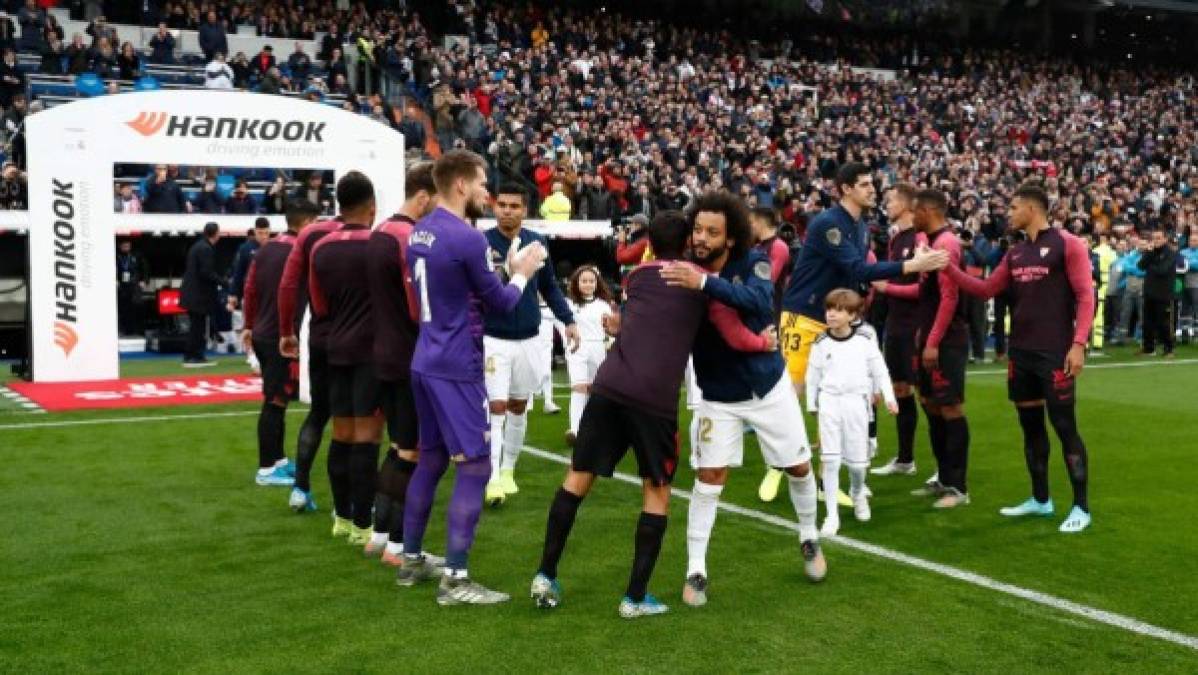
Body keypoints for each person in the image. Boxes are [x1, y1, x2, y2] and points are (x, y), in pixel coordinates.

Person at [529, 211, 709, 619]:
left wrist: (621, 326)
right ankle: (635, 597)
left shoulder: (637, 276)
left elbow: (634, 319)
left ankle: (545, 573)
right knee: (657, 488)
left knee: (578, 477)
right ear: (685, 243)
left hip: (611, 385)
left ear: (650, 242)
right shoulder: (699, 282)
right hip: (654, 398)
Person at [657, 191, 825, 608]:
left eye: (712, 232)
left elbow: (757, 300)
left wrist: (706, 283)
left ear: (730, 238)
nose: (701, 238)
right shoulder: (685, 271)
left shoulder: (753, 263)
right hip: (717, 396)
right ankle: (696, 568)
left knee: (798, 466)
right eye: (697, 229)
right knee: (709, 478)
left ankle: (808, 536)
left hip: (768, 388)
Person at [397, 150, 547, 605]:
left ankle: (411, 560)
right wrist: (521, 273)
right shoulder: (467, 238)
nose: (487, 192)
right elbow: (501, 302)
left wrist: (502, 274)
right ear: (461, 185)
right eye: (482, 184)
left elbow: (458, 286)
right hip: (456, 365)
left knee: (431, 459)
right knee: (477, 465)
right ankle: (456, 580)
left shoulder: (419, 231)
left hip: (425, 358)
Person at [760, 162, 947, 503]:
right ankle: (778, 463)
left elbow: (859, 273)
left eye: (871, 183)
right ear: (845, 189)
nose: (872, 189)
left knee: (837, 398)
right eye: (864, 184)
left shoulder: (861, 227)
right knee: (793, 393)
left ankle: (821, 480)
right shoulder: (829, 223)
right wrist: (910, 266)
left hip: (837, 319)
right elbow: (858, 268)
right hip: (805, 315)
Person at [939, 182, 1095, 533]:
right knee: (1030, 429)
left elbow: (1086, 296)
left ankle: (1081, 507)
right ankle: (1041, 500)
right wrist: (947, 267)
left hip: (1055, 353)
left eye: (1013, 207)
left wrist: (1079, 344)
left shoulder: (1067, 244)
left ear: (1032, 208)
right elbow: (984, 289)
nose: (1008, 213)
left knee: (1065, 428)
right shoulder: (1015, 253)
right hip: (1021, 354)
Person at [481, 185, 579, 507]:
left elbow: (549, 286)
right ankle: (492, 477)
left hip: (530, 337)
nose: (507, 210)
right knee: (496, 408)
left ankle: (508, 469)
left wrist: (568, 320)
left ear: (525, 210)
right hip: (494, 337)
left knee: (518, 406)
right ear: (495, 208)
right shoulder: (482, 243)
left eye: (514, 206)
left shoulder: (538, 242)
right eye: (502, 205)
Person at [364, 162, 439, 565]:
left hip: (383, 352)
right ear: (423, 196)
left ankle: (378, 536)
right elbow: (417, 306)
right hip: (408, 354)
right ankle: (398, 544)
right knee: (411, 451)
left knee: (397, 447)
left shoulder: (379, 232)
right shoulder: (407, 237)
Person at [879, 189, 972, 509]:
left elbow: (949, 298)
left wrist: (932, 341)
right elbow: (924, 290)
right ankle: (944, 478)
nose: (912, 216)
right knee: (931, 405)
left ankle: (959, 487)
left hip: (946, 340)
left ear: (929, 210)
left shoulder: (946, 243)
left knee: (950, 408)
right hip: (926, 336)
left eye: (916, 210)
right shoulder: (928, 242)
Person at [306, 172, 384, 547]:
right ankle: (362, 523)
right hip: (370, 351)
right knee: (368, 439)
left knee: (341, 435)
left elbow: (318, 304)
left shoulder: (320, 247)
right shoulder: (379, 243)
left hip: (334, 348)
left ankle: (340, 517)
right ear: (372, 206)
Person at [241, 203, 321, 488]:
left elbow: (250, 289)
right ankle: (265, 468)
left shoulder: (266, 249)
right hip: (280, 336)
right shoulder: (299, 251)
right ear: (308, 222)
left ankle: (278, 461)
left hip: (264, 332)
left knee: (279, 398)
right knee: (275, 400)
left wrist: (248, 325)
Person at [806, 289, 898, 534]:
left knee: (857, 465)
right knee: (830, 459)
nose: (831, 314)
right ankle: (832, 515)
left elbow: (880, 371)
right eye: (829, 309)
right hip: (830, 402)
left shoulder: (865, 340)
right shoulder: (820, 341)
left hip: (857, 404)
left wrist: (889, 396)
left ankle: (858, 493)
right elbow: (812, 376)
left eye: (839, 310)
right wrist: (811, 403)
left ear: (853, 315)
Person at [278, 204, 341, 516]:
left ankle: (300, 488)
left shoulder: (311, 234)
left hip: (315, 328)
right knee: (353, 421)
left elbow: (288, 284)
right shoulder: (373, 235)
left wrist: (285, 330)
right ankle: (346, 505)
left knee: (318, 413)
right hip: (354, 333)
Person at [871, 183, 929, 481]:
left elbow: (923, 288)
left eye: (891, 200)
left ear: (907, 205)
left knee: (926, 396)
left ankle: (945, 469)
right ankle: (905, 459)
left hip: (915, 326)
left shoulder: (919, 238)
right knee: (900, 391)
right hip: (895, 324)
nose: (886, 204)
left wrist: (887, 287)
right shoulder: (895, 240)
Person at [563, 265, 615, 444]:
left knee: (594, 390)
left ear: (597, 283)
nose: (587, 284)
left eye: (591, 281)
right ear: (576, 283)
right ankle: (575, 430)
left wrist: (611, 344)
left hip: (598, 349)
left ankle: (593, 427)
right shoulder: (568, 304)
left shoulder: (603, 305)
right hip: (577, 348)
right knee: (579, 387)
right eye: (584, 281)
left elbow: (610, 331)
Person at [180, 222, 222, 367]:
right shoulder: (205, 249)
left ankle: (193, 354)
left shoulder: (198, 246)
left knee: (197, 326)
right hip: (197, 295)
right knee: (197, 326)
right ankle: (194, 355)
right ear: (215, 233)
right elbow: (206, 272)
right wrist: (223, 282)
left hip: (193, 293)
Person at [1138, 228, 1179, 358]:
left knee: (1164, 322)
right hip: (1149, 292)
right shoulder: (1151, 252)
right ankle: (1148, 348)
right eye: (1154, 238)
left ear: (1165, 239)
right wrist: (1149, 255)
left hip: (1164, 294)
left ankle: (1169, 349)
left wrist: (1150, 264)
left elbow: (1163, 270)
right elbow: (1140, 265)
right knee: (1147, 322)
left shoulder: (1170, 253)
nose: (1155, 241)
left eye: (1158, 238)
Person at [750, 206, 790, 319]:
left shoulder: (778, 246)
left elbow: (769, 279)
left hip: (770, 310)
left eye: (751, 222)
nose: (750, 226)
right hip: (755, 306)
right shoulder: (757, 246)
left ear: (761, 222)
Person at [227, 218, 270, 314]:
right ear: (255, 232)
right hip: (250, 294)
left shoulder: (273, 246)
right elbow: (238, 272)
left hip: (268, 296)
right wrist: (233, 294)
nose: (263, 236)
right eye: (260, 233)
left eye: (266, 233)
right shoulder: (245, 248)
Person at [115, 239, 149, 337]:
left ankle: (139, 330)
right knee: (124, 308)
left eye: (128, 245)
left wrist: (144, 280)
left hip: (135, 285)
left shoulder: (137, 255)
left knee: (137, 307)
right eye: (124, 245)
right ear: (120, 246)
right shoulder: (116, 255)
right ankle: (125, 330)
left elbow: (145, 267)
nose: (126, 247)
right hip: (122, 285)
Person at [1180, 233, 1198, 343]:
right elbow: (1178, 264)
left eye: (1195, 240)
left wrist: (1187, 263)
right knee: (1184, 310)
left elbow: (1196, 265)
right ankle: (1184, 334)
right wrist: (1189, 263)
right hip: (1183, 284)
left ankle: (1196, 334)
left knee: (1197, 309)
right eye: (1192, 240)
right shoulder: (1183, 252)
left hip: (1196, 285)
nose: (1193, 242)